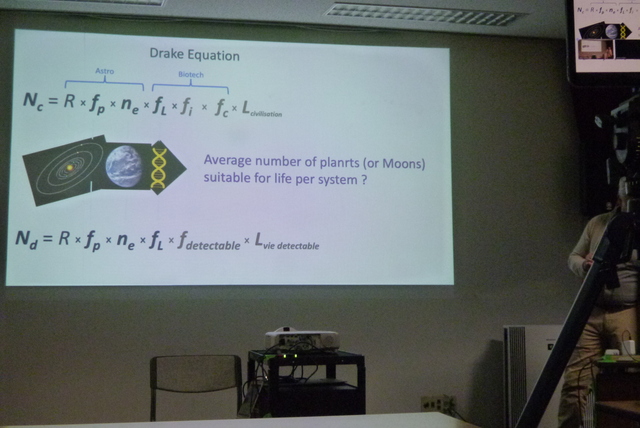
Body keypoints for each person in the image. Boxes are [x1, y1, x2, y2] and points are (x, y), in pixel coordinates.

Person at [559, 177, 639, 427]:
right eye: (625, 195)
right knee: (575, 382)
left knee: (629, 381)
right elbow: (573, 257)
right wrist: (584, 265)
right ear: (618, 196)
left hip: (627, 312)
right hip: (590, 311)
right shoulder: (597, 223)